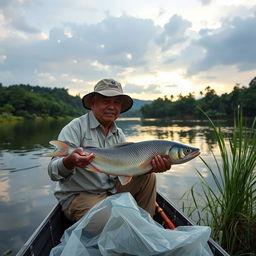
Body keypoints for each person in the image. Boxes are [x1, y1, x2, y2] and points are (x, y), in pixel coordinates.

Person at [48, 78, 171, 222]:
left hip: (111, 191)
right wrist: (69, 161)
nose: (112, 106)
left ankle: (146, 224)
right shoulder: (75, 128)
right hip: (81, 196)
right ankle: (133, 227)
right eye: (106, 101)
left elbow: (125, 173)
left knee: (148, 177)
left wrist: (148, 167)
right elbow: (53, 172)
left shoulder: (119, 134)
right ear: (93, 103)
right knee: (114, 223)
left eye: (116, 102)